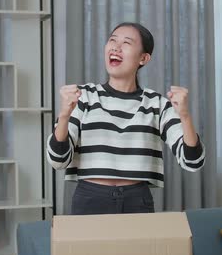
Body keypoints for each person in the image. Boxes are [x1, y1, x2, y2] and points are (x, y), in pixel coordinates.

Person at [46, 22, 205, 215]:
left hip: (137, 200)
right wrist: (64, 116)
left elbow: (192, 161)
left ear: (143, 58)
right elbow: (58, 160)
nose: (115, 46)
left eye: (126, 43)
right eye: (112, 40)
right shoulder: (83, 96)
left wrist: (185, 117)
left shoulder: (157, 104)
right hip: (90, 198)